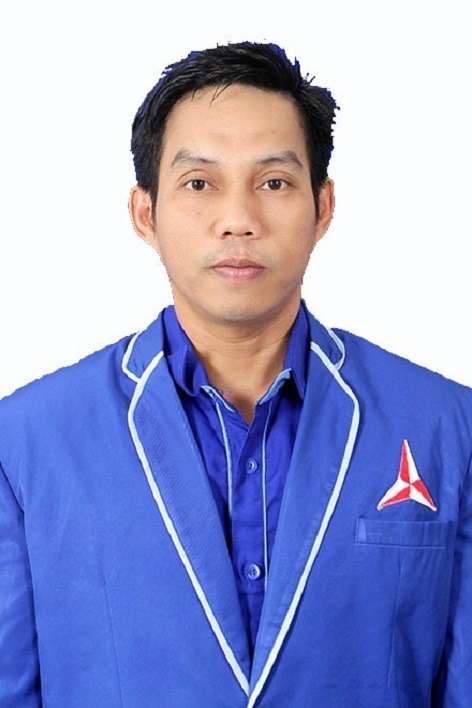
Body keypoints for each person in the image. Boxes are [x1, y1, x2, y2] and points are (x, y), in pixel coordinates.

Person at [0, 41, 471, 708]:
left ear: (322, 206)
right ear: (145, 213)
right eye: (199, 183)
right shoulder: (24, 442)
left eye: (274, 182)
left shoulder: (446, 426)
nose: (239, 221)